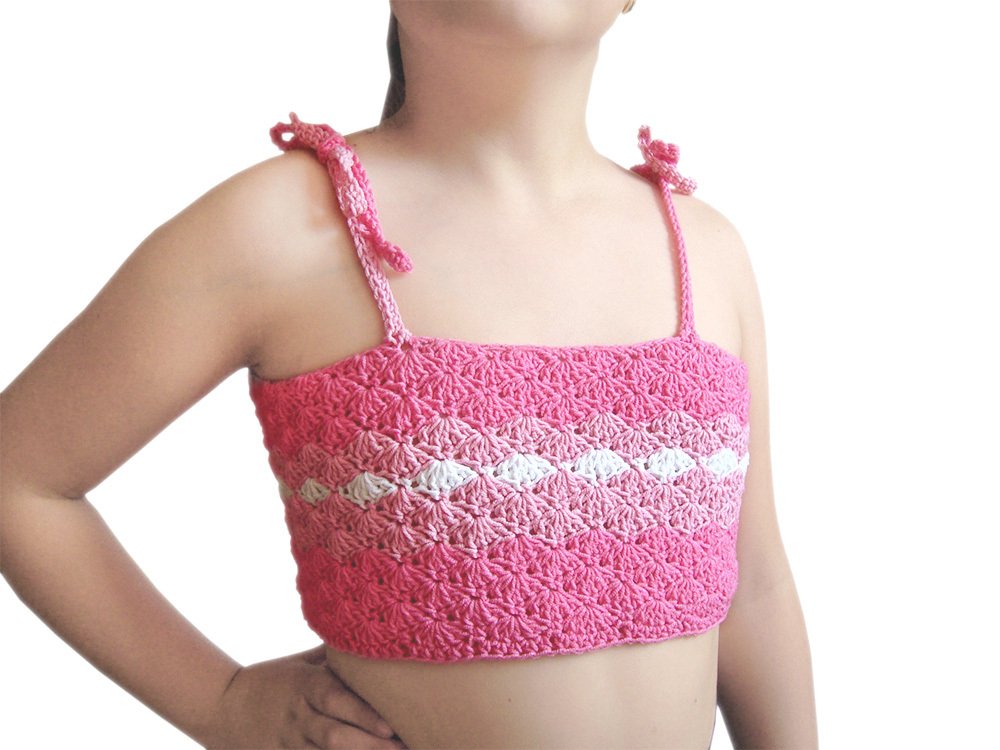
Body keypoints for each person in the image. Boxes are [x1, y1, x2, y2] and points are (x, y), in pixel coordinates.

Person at [0, 1, 818, 748]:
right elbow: (17, 477)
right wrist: (223, 703)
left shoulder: (704, 250)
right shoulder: (282, 228)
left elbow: (753, 585)